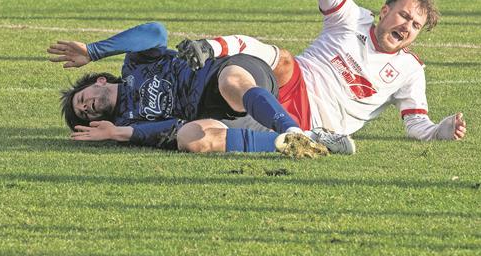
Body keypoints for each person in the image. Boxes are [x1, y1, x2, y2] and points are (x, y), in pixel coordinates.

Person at [178, 0, 467, 142]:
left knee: (194, 136)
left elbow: (416, 124)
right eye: (404, 16)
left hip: (314, 125)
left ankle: (297, 139)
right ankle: (212, 47)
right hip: (285, 85)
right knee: (282, 61)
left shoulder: (410, 69)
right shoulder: (352, 19)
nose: (406, 27)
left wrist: (440, 130)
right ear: (384, 11)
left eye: (415, 25)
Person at [47, 21, 356, 157]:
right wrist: (118, 133)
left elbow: (155, 31)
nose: (85, 107)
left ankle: (292, 129)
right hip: (217, 113)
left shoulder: (135, 65)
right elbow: (172, 128)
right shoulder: (128, 123)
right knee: (190, 139)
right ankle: (297, 142)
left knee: (230, 83)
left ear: (98, 81)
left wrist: (94, 51)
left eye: (81, 100)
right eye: (84, 114)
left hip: (225, 71)